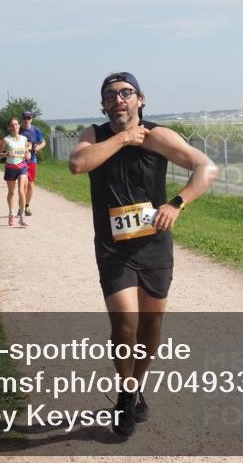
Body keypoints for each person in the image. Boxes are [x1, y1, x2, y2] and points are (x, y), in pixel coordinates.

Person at [69, 72, 217, 437]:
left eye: (126, 93)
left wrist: (178, 203)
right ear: (103, 105)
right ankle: (126, 394)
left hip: (153, 244)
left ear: (141, 99)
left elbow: (207, 167)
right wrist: (122, 138)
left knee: (151, 326)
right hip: (113, 246)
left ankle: (135, 387)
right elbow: (77, 164)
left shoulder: (157, 136)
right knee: (125, 325)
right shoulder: (94, 135)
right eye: (110, 95)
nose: (118, 99)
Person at [0, 119, 30, 227]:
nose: (14, 126)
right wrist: (6, 153)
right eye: (12, 125)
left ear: (19, 126)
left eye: (16, 124)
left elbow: (26, 151)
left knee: (21, 191)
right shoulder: (6, 140)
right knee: (11, 192)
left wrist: (28, 154)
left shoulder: (24, 139)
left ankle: (21, 216)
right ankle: (11, 212)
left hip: (22, 166)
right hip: (11, 167)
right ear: (9, 127)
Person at [20, 110, 46, 216]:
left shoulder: (36, 130)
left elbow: (43, 142)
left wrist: (37, 148)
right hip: (20, 161)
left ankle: (26, 205)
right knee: (23, 184)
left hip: (32, 161)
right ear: (22, 119)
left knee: (30, 184)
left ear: (32, 119)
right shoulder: (19, 130)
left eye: (29, 118)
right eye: (25, 118)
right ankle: (21, 206)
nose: (27, 120)